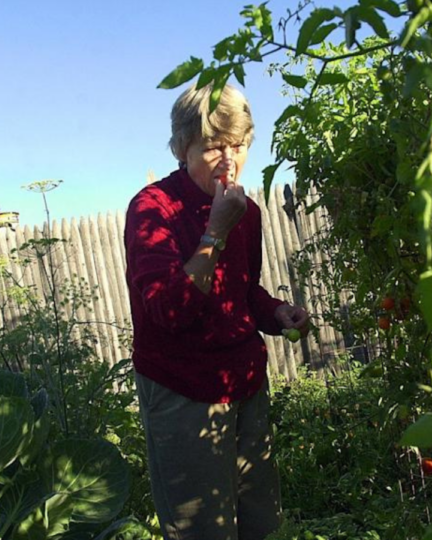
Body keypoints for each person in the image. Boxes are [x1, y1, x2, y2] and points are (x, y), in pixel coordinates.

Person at [124, 82, 310, 540]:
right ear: (181, 148)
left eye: (238, 145)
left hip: (244, 382)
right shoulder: (153, 210)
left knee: (262, 523)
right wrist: (213, 233)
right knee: (203, 530)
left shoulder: (245, 212)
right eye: (212, 147)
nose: (229, 161)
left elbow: (242, 292)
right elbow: (169, 311)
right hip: (183, 388)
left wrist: (276, 312)